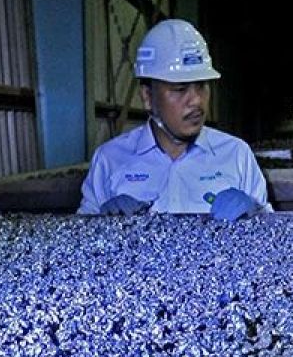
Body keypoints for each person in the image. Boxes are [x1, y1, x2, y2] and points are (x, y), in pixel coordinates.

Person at [78, 19, 269, 220]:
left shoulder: (236, 155)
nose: (196, 100)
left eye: (202, 86)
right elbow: (77, 243)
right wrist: (99, 221)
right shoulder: (109, 160)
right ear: (147, 97)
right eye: (180, 89)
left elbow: (274, 242)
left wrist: (256, 213)